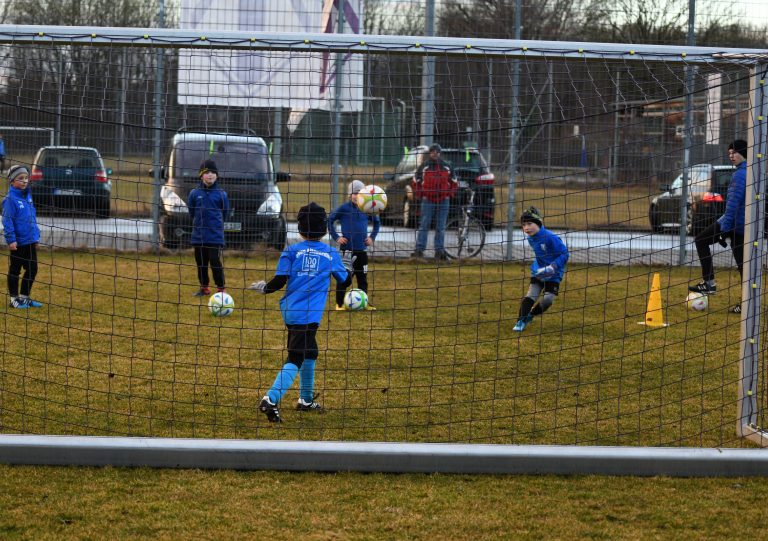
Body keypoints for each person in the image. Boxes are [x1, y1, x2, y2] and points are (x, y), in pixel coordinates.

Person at [248, 202, 351, 423]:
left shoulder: (291, 250)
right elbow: (345, 280)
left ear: (300, 228)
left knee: (310, 352)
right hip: (310, 315)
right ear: (324, 228)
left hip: (291, 312)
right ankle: (270, 399)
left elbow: (279, 280)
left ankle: (305, 400)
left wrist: (264, 287)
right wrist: (349, 265)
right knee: (295, 357)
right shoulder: (331, 254)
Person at [688, 140, 747, 314]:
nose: (731, 156)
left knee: (700, 240)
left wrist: (723, 229)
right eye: (729, 153)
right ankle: (746, 305)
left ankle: (709, 284)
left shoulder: (740, 175)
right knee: (744, 266)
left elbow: (733, 204)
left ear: (742, 152)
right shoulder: (751, 171)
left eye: (733, 153)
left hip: (735, 225)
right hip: (743, 225)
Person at [513, 207, 569, 332]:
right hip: (539, 272)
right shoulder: (530, 238)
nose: (526, 227)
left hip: (554, 274)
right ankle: (520, 321)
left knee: (548, 300)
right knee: (531, 295)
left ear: (538, 223)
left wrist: (553, 267)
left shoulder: (550, 237)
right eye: (523, 225)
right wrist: (540, 269)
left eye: (529, 224)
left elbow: (565, 254)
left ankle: (531, 315)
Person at [329, 179, 381, 311]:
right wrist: (337, 237)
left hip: (362, 251)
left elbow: (377, 223)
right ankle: (339, 304)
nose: (357, 195)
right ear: (349, 194)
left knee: (362, 279)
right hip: (347, 251)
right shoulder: (344, 208)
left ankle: (364, 302)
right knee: (344, 278)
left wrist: (372, 237)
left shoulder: (368, 208)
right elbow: (329, 220)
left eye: (359, 193)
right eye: (354, 193)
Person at [2, 165, 43, 309]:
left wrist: (36, 236)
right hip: (18, 243)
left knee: (33, 268)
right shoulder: (10, 199)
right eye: (20, 179)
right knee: (15, 270)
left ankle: (24, 297)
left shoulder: (28, 196)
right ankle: (14, 300)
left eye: (26, 178)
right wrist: (11, 239)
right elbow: (7, 220)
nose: (24, 181)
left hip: (30, 241)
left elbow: (32, 217)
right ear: (12, 181)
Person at [189, 159, 230, 297]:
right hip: (198, 236)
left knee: (215, 261)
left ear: (217, 175)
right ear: (201, 175)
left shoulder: (221, 194)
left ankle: (221, 289)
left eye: (213, 172)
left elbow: (225, 213)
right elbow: (191, 212)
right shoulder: (194, 193)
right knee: (201, 263)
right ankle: (204, 288)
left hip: (215, 237)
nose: (210, 175)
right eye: (207, 172)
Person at [411, 143, 458, 260]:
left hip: (443, 200)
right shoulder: (424, 167)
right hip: (428, 200)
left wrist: (449, 194)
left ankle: (439, 251)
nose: (435, 154)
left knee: (441, 227)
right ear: (430, 153)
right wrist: (420, 194)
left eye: (437, 152)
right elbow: (415, 181)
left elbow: (454, 182)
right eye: (433, 152)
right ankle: (419, 250)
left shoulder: (447, 167)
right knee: (424, 225)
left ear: (440, 153)